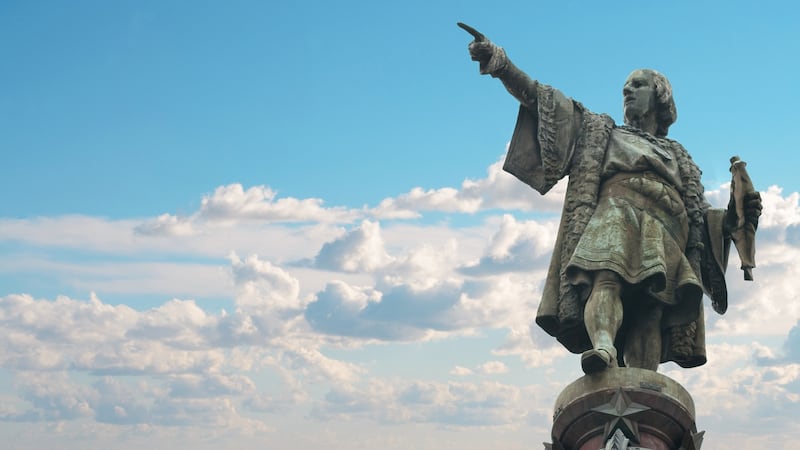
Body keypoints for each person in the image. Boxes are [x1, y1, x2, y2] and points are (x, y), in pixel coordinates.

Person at [460, 23, 762, 374]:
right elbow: (544, 101)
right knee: (605, 277)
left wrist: (731, 219)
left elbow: (699, 218)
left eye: (637, 85)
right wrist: (501, 64)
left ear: (660, 96)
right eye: (624, 89)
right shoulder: (601, 131)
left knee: (652, 307)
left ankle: (644, 382)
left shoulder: (679, 156)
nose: (628, 92)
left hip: (668, 228)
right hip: (617, 211)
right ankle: (603, 348)